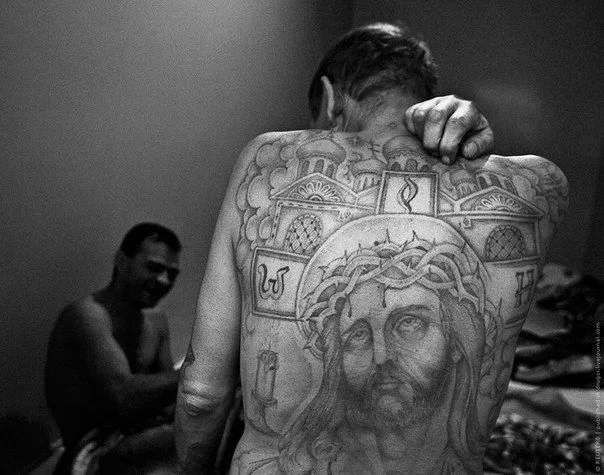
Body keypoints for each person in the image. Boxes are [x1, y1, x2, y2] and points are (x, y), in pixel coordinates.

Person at [176, 23, 568, 474]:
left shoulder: (263, 167)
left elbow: (200, 396)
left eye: (409, 323)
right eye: (357, 335)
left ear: (330, 101)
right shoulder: (537, 186)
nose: (382, 359)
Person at [46, 222, 181, 473]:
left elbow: (168, 398)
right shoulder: (87, 316)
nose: (164, 280)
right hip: (91, 451)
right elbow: (124, 397)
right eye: (154, 268)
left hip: (142, 434)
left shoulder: (156, 321)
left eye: (172, 274)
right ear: (121, 260)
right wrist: (204, 372)